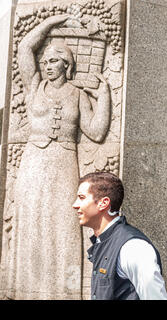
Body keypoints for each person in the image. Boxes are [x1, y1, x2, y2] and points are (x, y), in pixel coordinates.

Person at [5, 14, 111, 299]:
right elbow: (26, 47)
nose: (47, 66)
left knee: (63, 224)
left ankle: (60, 292)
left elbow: (97, 131)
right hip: (33, 163)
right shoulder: (34, 87)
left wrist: (104, 98)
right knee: (32, 219)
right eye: (46, 61)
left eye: (54, 61)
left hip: (64, 162)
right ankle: (25, 289)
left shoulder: (77, 94)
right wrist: (54, 20)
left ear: (67, 64)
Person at [72, 172, 167, 300]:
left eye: (82, 197)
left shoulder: (133, 247)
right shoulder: (104, 240)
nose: (75, 205)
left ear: (103, 203)